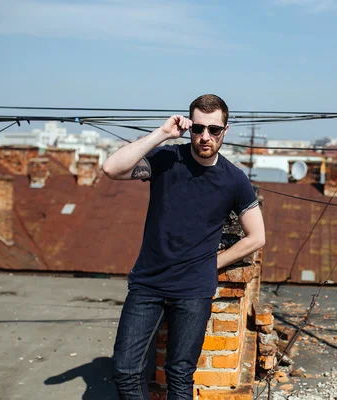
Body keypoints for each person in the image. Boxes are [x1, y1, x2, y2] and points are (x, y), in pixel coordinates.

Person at [102, 94, 266, 400]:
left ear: (224, 131)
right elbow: (111, 168)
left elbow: (256, 237)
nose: (205, 136)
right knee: (125, 370)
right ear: (189, 127)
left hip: (193, 290)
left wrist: (211, 263)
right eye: (198, 128)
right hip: (148, 283)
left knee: (179, 375)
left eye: (214, 130)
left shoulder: (234, 179)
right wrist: (163, 133)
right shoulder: (168, 159)